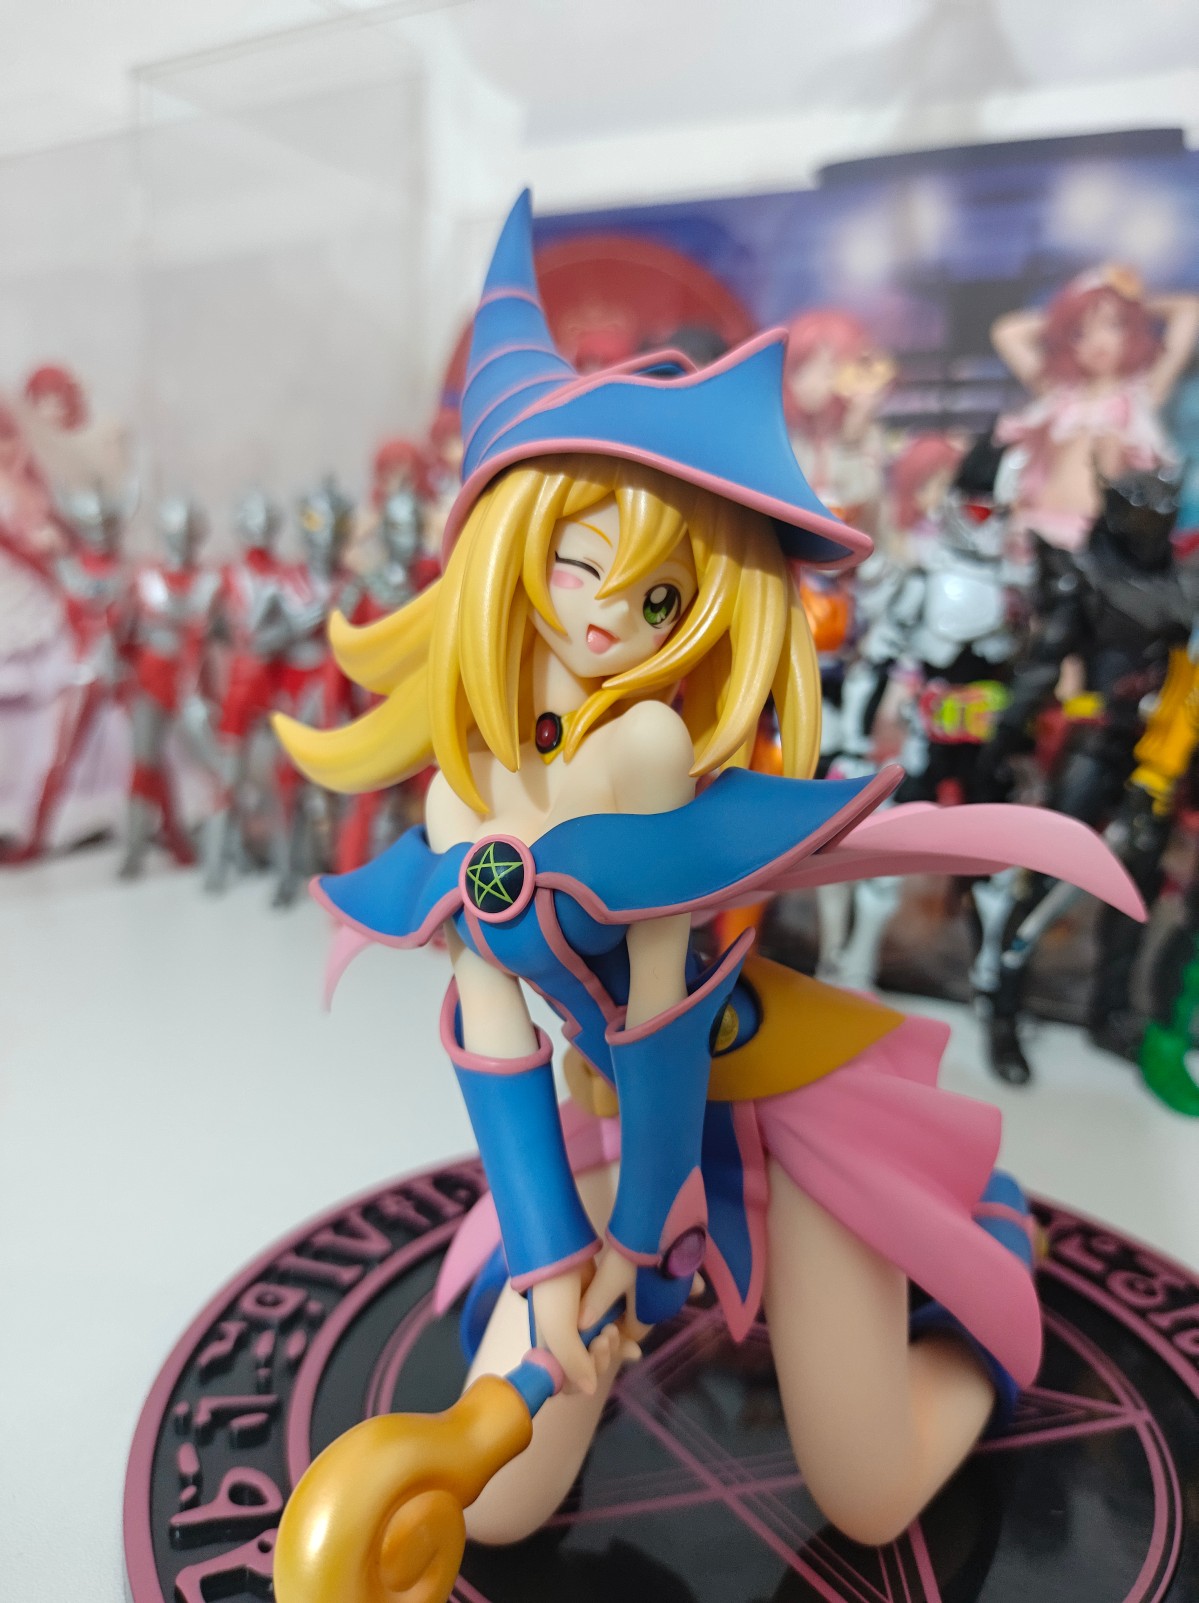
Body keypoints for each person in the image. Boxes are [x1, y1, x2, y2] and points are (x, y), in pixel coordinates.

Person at [269, 194, 1142, 1598]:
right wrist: (557, 1267)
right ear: (507, 551)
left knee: (865, 1492)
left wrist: (633, 1245)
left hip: (777, 1108)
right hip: (609, 1122)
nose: (608, 615)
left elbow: (665, 1017)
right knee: (498, 1503)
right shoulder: (457, 802)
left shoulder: (652, 759)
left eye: (660, 597)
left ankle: (986, 1259)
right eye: (578, 560)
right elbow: (497, 1051)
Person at [992, 267, 1199, 558]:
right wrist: (1069, 313)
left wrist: (1127, 303)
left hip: (1094, 535)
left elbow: (1189, 311)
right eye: (1080, 333)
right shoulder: (1057, 392)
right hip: (1036, 526)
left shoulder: (1142, 393)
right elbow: (1008, 332)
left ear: (1131, 330)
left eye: (1113, 325)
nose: (1098, 340)